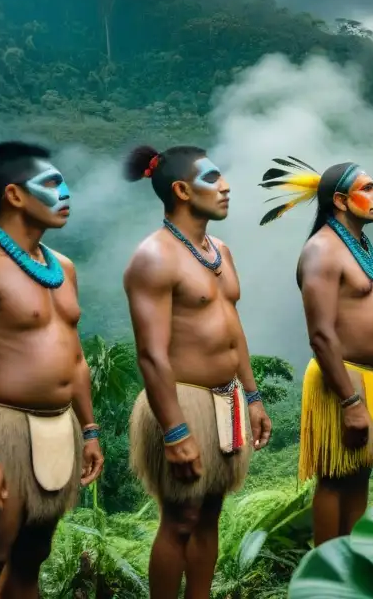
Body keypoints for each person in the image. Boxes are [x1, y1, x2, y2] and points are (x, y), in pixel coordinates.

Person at [122, 144, 271, 599]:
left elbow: (232, 326)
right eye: (213, 179)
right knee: (180, 518)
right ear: (182, 190)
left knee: (210, 513)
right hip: (181, 400)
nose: (225, 187)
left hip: (226, 399)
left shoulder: (219, 250)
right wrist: (174, 431)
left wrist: (252, 395)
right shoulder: (154, 257)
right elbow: (151, 354)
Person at [0, 141, 102, 598]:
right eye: (51, 183)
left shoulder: (62, 267)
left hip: (57, 428)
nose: (66, 193)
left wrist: (89, 428)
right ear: (14, 196)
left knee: (31, 556)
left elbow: (75, 356)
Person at [258, 156, 373, 545]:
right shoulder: (322, 250)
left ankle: (351, 566)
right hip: (342, 380)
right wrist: (349, 401)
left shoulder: (359, 245)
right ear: (341, 201)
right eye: (368, 189)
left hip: (372, 377)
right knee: (334, 478)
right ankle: (326, 573)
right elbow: (322, 335)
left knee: (360, 476)